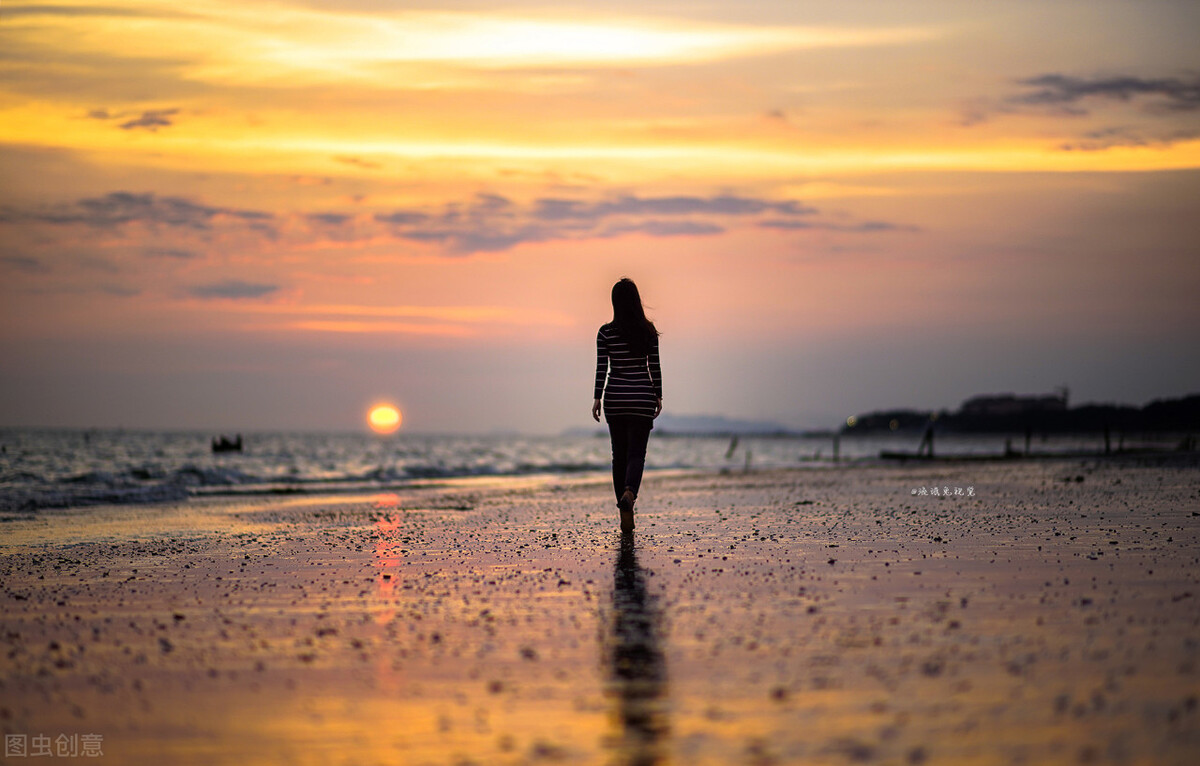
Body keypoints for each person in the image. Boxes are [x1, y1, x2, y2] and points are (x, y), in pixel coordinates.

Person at [592, 278, 662, 531]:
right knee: (636, 454)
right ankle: (630, 494)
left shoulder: (605, 332)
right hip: (642, 396)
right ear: (636, 301)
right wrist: (658, 395)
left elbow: (602, 368)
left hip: (615, 398)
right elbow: (654, 366)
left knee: (618, 456)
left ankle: (623, 510)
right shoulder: (647, 331)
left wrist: (597, 397)